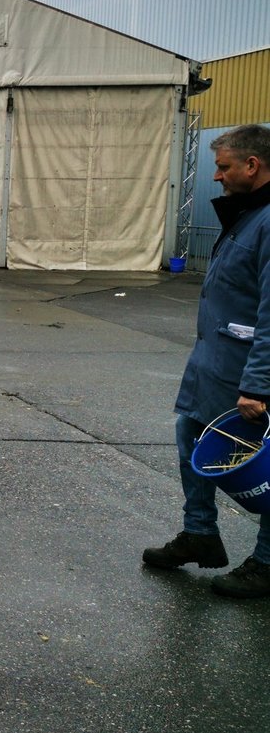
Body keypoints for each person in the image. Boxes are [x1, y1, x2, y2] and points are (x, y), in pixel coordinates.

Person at [143, 124, 270, 598]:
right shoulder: (248, 215)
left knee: (264, 466)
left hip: (250, 373)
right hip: (217, 365)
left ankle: (267, 562)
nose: (216, 176)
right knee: (191, 436)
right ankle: (200, 533)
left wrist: (258, 384)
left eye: (223, 167)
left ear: (252, 166)